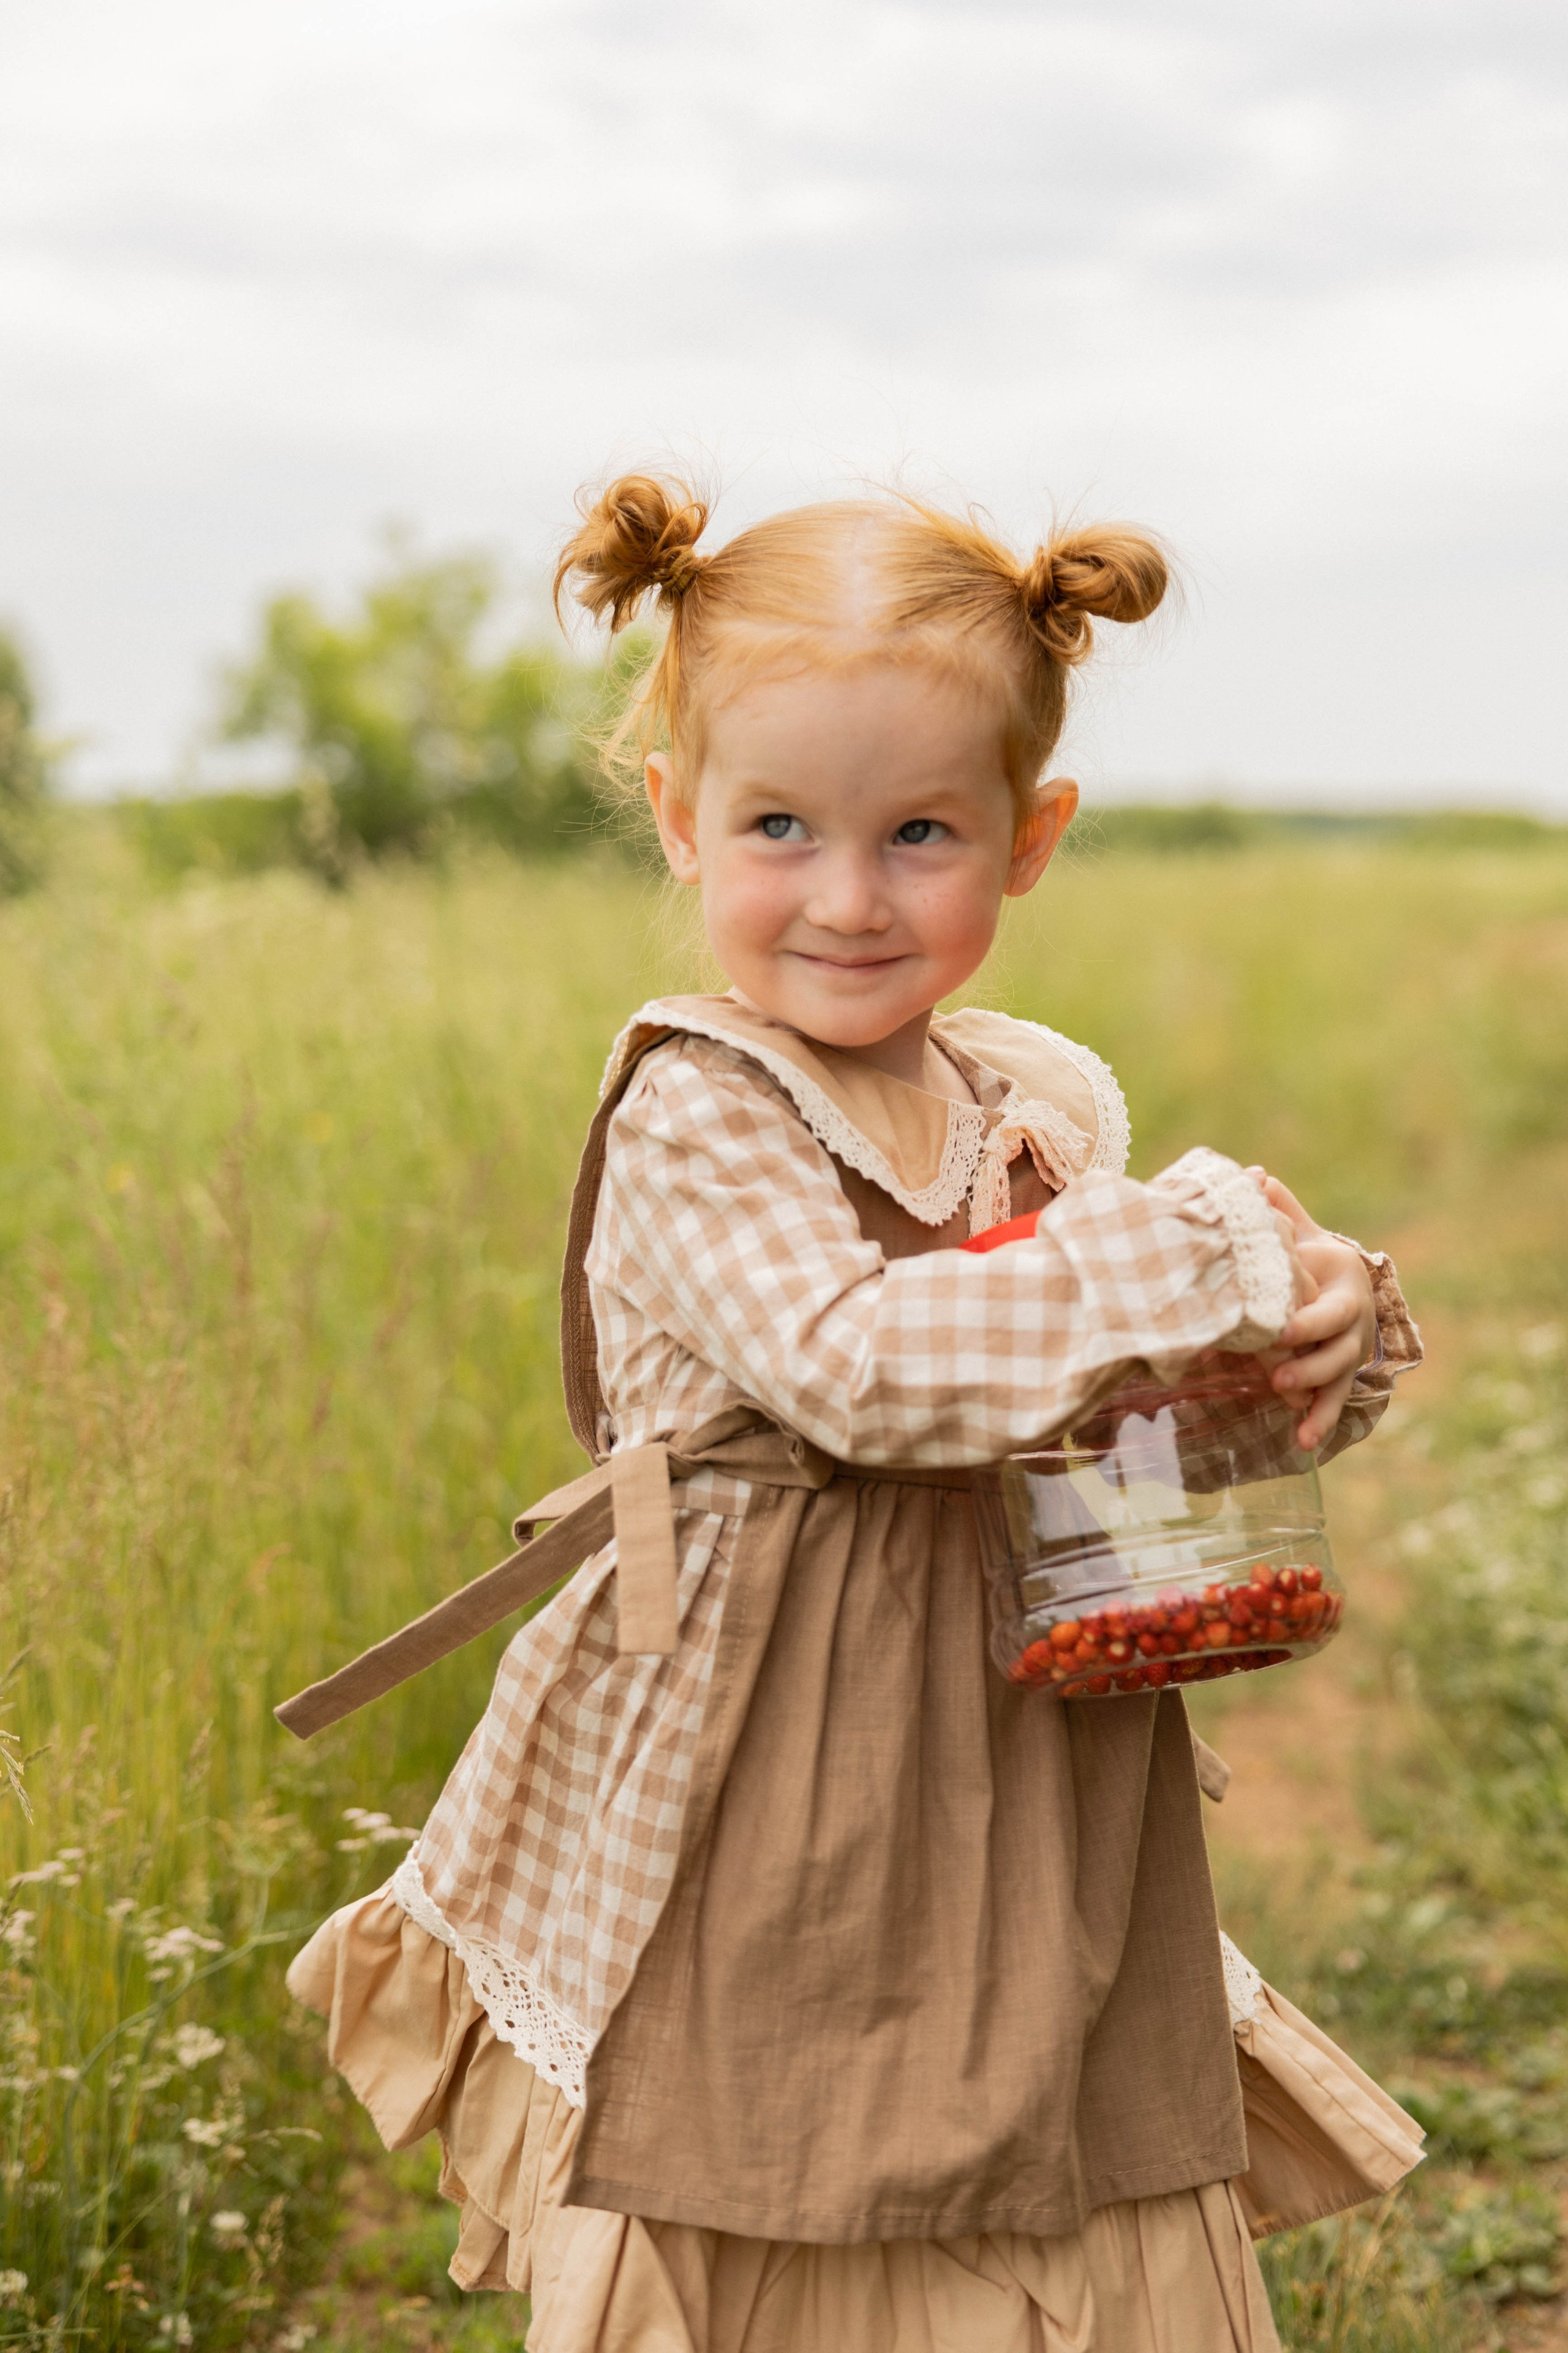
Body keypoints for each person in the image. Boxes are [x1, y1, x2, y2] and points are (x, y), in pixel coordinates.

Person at [285, 475, 1425, 2352]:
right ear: (682, 816)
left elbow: (1112, 1401)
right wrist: (1178, 1247)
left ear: (1028, 836)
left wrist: (1314, 1321)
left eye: (918, 832)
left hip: (1028, 1754)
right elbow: (861, 1363)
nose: (847, 893)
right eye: (780, 826)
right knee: (784, 2125)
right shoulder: (700, 1109)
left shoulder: (1023, 1110)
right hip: (780, 1768)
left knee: (1054, 2095)